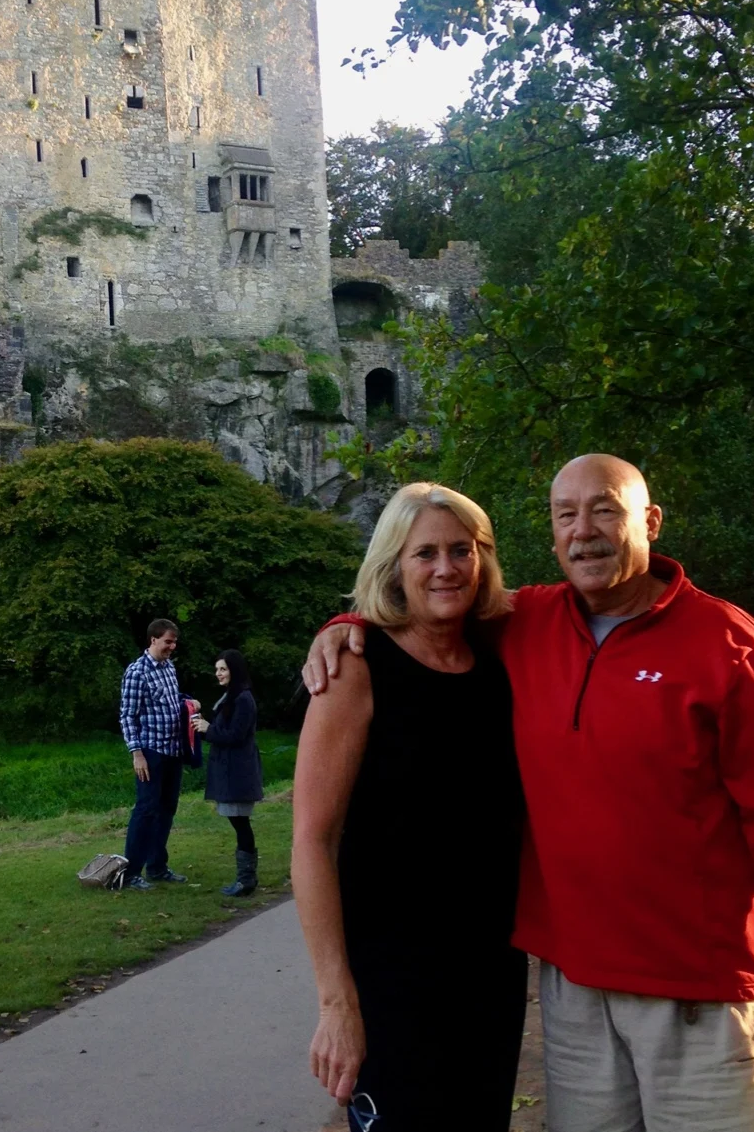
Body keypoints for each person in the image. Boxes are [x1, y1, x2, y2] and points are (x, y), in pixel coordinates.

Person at [306, 454, 754, 1132]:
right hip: (577, 998)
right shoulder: (528, 622)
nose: (584, 530)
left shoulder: (730, 645)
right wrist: (347, 627)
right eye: (567, 514)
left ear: (650, 521)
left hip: (704, 997)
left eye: (605, 510)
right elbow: (422, 617)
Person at [293, 482, 526, 1132]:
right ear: (394, 565)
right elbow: (312, 841)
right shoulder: (356, 666)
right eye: (425, 553)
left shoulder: (499, 659)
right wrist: (336, 1002)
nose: (446, 567)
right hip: (391, 982)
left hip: (490, 973)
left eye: (461, 549)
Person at [119, 618, 199, 893]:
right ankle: (131, 873)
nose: (172, 647)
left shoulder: (169, 667)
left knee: (166, 809)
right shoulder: (137, 672)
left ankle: (157, 867)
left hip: (173, 751)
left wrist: (188, 703)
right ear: (153, 640)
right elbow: (127, 716)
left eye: (174, 642)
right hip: (151, 753)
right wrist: (137, 754)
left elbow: (170, 702)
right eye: (168, 642)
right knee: (146, 810)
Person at [192, 649, 263, 897]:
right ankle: (246, 879)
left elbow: (235, 736)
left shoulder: (243, 699)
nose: (218, 674)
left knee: (241, 823)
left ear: (234, 670)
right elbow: (222, 731)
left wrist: (209, 728)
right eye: (217, 669)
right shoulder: (231, 696)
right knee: (239, 822)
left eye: (223, 669)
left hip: (238, 771)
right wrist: (203, 727)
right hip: (228, 769)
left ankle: (246, 880)